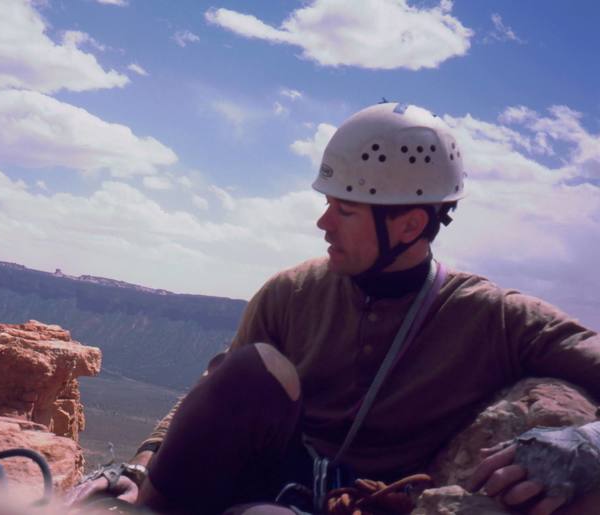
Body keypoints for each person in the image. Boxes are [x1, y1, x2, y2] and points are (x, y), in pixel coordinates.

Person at [69, 103, 600, 514]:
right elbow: (214, 394)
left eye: (344, 209)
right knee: (251, 370)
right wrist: (142, 469)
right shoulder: (293, 291)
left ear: (410, 225)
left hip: (361, 500)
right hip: (263, 474)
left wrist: (587, 443)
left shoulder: (493, 317)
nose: (324, 224)